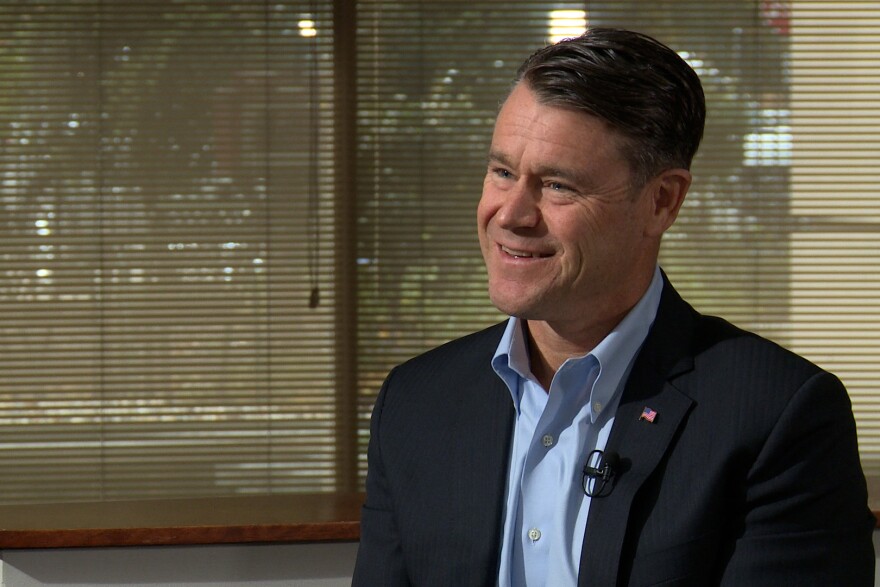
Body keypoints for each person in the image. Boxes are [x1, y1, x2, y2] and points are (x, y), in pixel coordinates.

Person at [351, 27, 876, 587]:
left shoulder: (777, 417)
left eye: (557, 186)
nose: (511, 214)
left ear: (661, 202)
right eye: (502, 172)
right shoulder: (415, 405)